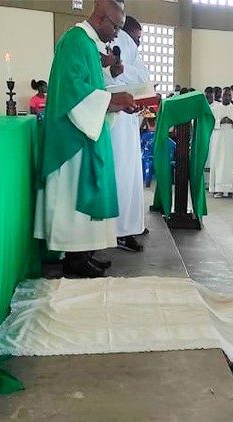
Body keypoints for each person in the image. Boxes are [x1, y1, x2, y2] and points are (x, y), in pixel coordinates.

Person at [34, 0, 136, 277]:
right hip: (72, 138)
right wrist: (114, 99)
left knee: (90, 189)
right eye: (116, 27)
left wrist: (115, 101)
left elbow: (90, 86)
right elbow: (72, 90)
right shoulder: (75, 40)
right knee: (73, 194)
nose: (117, 34)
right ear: (102, 17)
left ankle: (84, 252)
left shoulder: (89, 45)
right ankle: (74, 258)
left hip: (86, 130)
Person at [102, 14, 150, 252]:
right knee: (120, 174)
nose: (138, 43)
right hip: (114, 121)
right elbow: (112, 76)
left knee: (131, 176)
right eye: (137, 37)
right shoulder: (116, 43)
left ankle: (130, 225)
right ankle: (117, 230)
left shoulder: (130, 50)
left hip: (129, 119)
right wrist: (120, 71)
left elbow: (142, 76)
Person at [209, 88, 233, 198]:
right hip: (218, 139)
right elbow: (209, 123)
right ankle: (218, 189)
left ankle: (232, 189)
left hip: (231, 140)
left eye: (229, 95)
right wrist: (220, 122)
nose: (227, 97)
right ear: (221, 96)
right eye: (225, 95)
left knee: (232, 163)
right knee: (219, 162)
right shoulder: (215, 108)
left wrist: (232, 122)